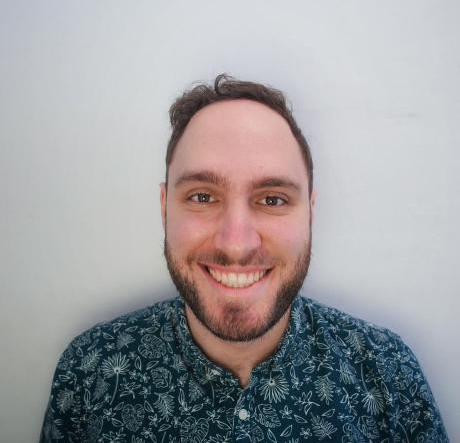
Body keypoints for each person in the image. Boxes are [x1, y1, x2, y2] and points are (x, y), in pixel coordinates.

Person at [40, 75, 448, 442]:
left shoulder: (388, 373)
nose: (236, 245)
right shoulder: (89, 371)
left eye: (272, 199)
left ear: (310, 211)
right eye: (203, 196)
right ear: (165, 208)